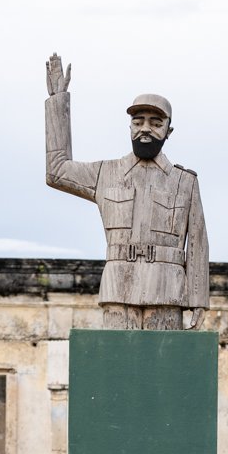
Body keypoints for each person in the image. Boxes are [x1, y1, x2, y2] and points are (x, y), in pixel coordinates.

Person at [44, 53, 208, 330]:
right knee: (116, 364)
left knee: (163, 363)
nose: (145, 128)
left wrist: (198, 298)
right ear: (129, 126)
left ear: (169, 131)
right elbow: (56, 170)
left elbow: (198, 243)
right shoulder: (104, 173)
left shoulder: (185, 181)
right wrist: (58, 102)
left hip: (167, 288)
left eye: (156, 123)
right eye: (138, 121)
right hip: (119, 284)